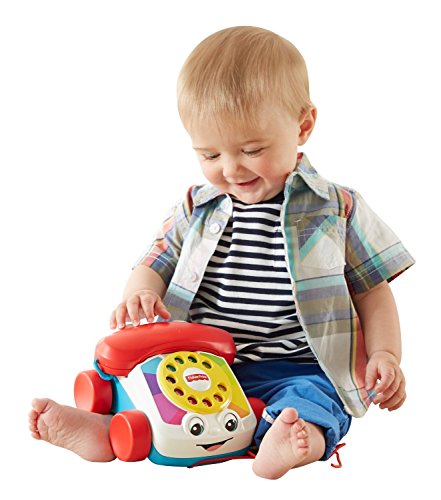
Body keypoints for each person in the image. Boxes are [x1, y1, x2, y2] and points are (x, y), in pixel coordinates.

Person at [29, 26, 415, 480]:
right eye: (210, 155)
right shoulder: (197, 207)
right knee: (137, 380)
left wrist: (385, 354)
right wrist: (139, 294)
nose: (231, 169)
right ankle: (108, 430)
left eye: (251, 150)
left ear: (303, 126)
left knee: (314, 401)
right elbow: (153, 264)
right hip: (202, 364)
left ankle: (292, 439)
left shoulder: (338, 208)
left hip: (298, 365)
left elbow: (373, 291)